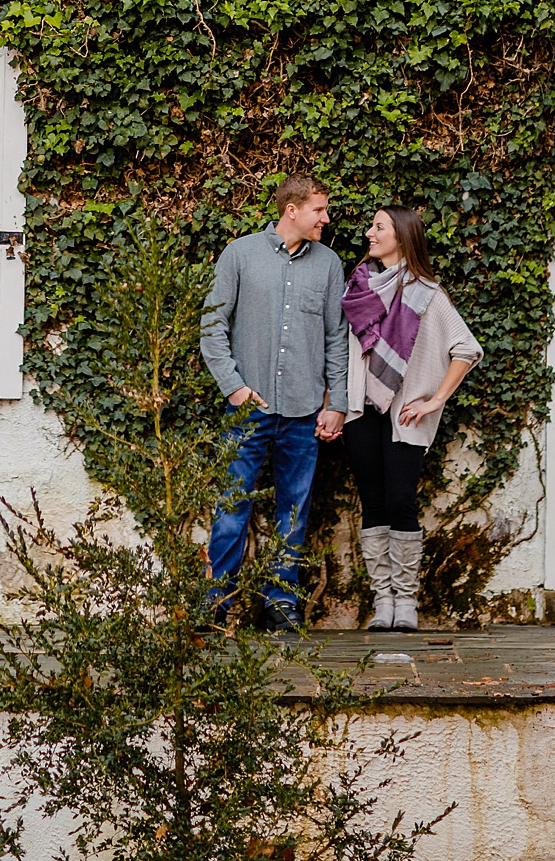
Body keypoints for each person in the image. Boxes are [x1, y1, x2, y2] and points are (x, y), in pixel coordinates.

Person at [199, 173, 348, 631]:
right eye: (320, 210)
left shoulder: (328, 264)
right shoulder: (240, 254)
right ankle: (215, 604)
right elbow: (212, 325)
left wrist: (336, 402)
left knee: (295, 508)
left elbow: (336, 338)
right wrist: (235, 388)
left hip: (304, 411)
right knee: (231, 505)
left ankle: (280, 605)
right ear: (292, 210)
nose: (326, 218)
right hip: (248, 409)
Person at [341, 204, 481, 633]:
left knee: (401, 501)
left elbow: (466, 348)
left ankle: (406, 601)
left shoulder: (427, 294)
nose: (369, 232)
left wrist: (434, 400)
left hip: (405, 414)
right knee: (373, 503)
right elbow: (340, 350)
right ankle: (382, 600)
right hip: (361, 410)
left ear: (401, 236)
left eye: (378, 226)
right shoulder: (357, 287)